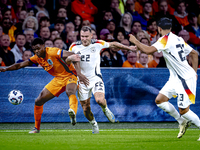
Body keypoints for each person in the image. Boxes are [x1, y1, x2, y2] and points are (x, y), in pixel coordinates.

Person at [129, 17, 200, 140]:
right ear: (171, 28)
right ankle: (181, 121)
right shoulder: (178, 38)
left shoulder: (165, 40)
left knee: (184, 111)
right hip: (176, 78)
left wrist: (135, 41)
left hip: (184, 79)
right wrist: (194, 72)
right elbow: (194, 54)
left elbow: (148, 50)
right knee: (160, 100)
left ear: (159, 28)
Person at [0, 37, 88, 133]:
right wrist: (6, 69)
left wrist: (79, 73)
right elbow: (20, 65)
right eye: (34, 50)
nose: (37, 51)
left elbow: (75, 56)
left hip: (71, 75)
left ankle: (72, 111)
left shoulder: (53, 52)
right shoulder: (37, 58)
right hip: (58, 79)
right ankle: (36, 128)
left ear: (43, 46)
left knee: (70, 91)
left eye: (38, 48)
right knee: (38, 101)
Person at [69, 26, 136, 134]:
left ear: (91, 36)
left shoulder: (97, 44)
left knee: (99, 100)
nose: (84, 39)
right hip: (82, 81)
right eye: (82, 36)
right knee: (86, 109)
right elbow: (67, 59)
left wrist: (129, 48)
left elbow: (113, 44)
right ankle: (94, 124)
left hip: (95, 78)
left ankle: (105, 109)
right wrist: (70, 60)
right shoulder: (74, 46)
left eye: (86, 36)